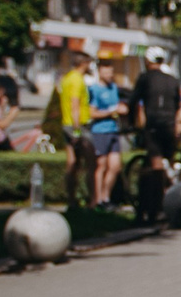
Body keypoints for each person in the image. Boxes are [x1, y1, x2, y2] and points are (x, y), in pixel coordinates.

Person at [133, 46, 181, 198]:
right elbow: (178, 104)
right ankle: (174, 192)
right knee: (170, 161)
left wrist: (132, 123)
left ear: (148, 61)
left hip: (154, 126)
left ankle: (158, 202)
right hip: (170, 126)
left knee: (156, 166)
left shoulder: (145, 78)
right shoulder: (172, 80)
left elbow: (133, 101)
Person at [54, 53, 96, 203]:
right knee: (91, 163)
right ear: (84, 63)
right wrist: (77, 130)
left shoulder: (67, 78)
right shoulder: (77, 80)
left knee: (72, 163)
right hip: (78, 125)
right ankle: (93, 201)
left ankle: (71, 199)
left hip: (66, 123)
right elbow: (75, 105)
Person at [86, 58, 127, 208]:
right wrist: (111, 112)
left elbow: (119, 105)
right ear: (100, 72)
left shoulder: (114, 88)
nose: (109, 74)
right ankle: (97, 199)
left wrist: (121, 110)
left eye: (111, 72)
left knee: (115, 166)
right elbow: (92, 113)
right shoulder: (94, 90)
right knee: (101, 166)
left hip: (113, 130)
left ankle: (106, 196)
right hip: (100, 131)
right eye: (106, 72)